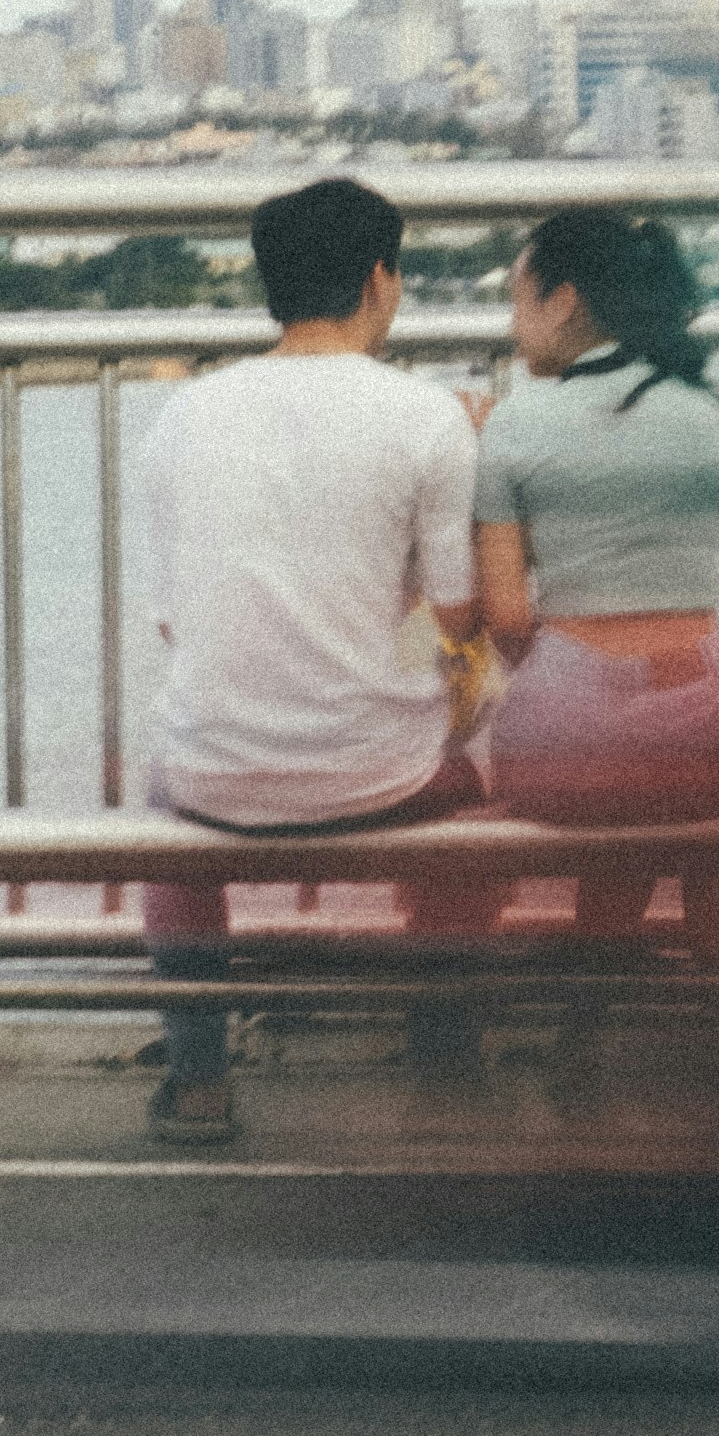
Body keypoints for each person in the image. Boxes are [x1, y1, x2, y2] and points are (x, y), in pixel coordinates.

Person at [128, 175, 483, 1146]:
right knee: (471, 815)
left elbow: (172, 625)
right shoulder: (428, 416)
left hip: (218, 774)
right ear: (381, 278)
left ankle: (199, 1080)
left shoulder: (184, 416)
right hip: (384, 774)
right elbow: (459, 613)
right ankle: (444, 1067)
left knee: (169, 811)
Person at [470, 208, 719, 950]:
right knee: (705, 844)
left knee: (616, 780)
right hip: (691, 719)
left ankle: (584, 1019)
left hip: (566, 743)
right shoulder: (711, 415)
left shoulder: (512, 425)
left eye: (517, 299)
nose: (514, 324)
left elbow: (505, 619)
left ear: (563, 301)